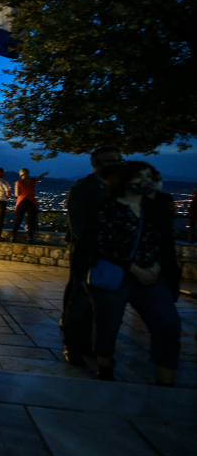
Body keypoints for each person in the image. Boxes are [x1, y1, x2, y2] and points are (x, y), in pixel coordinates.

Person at [87, 161, 181, 385]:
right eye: (139, 176)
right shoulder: (108, 208)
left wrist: (156, 267)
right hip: (116, 274)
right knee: (108, 323)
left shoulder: (156, 209)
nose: (145, 181)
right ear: (124, 179)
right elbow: (102, 244)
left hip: (151, 274)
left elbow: (164, 243)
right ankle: (105, 366)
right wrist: (134, 268)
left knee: (168, 325)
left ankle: (166, 382)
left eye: (149, 176)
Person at [62, 146, 122, 367]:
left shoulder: (121, 188)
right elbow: (79, 226)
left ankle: (91, 343)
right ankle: (73, 345)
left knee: (102, 306)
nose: (114, 163)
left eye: (117, 159)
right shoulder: (82, 188)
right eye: (109, 160)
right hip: (88, 254)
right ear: (95, 164)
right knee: (81, 301)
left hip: (114, 256)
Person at [12, 168, 49, 243]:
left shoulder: (19, 182)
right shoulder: (32, 181)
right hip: (31, 202)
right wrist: (43, 174)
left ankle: (13, 237)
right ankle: (30, 238)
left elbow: (17, 194)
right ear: (28, 173)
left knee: (18, 221)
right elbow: (38, 178)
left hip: (21, 202)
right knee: (30, 222)